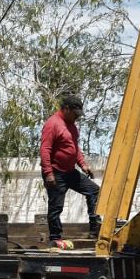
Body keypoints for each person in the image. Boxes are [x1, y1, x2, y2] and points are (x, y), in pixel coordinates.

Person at [39, 95, 101, 246]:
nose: (77, 118)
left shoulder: (72, 126)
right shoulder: (52, 124)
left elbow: (74, 148)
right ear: (66, 109)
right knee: (56, 207)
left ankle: (95, 229)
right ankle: (55, 238)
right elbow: (45, 150)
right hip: (55, 173)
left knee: (94, 190)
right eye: (75, 114)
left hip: (70, 172)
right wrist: (48, 173)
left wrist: (83, 164)